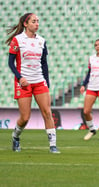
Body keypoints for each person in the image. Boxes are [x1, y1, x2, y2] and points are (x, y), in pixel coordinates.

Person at [6, 13, 60, 153]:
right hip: (23, 82)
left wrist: (46, 83)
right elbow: (11, 63)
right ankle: (16, 137)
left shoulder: (42, 41)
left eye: (38, 21)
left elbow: (44, 64)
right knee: (25, 118)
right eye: (34, 21)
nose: (37, 24)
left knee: (47, 112)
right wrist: (19, 78)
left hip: (39, 81)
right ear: (26, 24)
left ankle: (53, 145)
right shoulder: (17, 40)